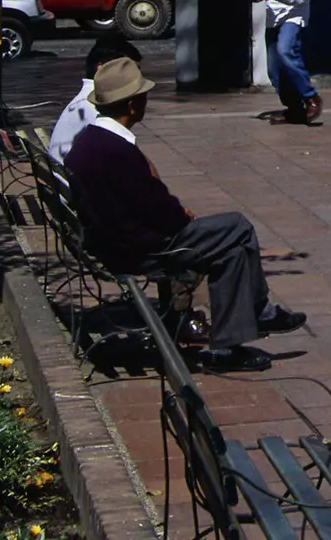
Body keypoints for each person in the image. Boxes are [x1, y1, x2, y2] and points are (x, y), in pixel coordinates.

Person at [64, 58, 306, 372]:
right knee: (238, 227)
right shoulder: (116, 150)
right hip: (141, 247)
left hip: (114, 239)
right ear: (134, 105)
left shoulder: (88, 141)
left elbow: (145, 201)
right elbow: (159, 210)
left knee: (231, 252)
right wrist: (184, 217)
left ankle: (231, 346)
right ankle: (258, 310)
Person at [49, 34, 141, 165]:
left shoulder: (84, 99)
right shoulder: (96, 105)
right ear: (101, 69)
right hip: (75, 182)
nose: (137, 78)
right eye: (128, 71)